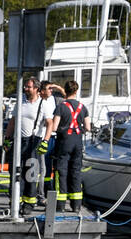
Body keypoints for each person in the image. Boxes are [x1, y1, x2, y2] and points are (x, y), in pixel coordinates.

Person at [4, 77, 53, 209]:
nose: (25, 88)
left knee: (30, 173)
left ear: (36, 89)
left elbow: (50, 123)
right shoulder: (20, 102)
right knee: (14, 172)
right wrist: (7, 139)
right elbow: (12, 122)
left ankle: (29, 204)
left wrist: (45, 141)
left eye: (28, 87)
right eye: (25, 86)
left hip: (34, 141)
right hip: (18, 140)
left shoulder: (43, 104)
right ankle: (15, 201)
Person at [50, 79, 90, 213]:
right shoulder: (82, 107)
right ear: (76, 91)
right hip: (77, 142)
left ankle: (60, 204)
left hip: (64, 142)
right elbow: (88, 127)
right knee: (76, 171)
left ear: (65, 91)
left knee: (61, 171)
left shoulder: (61, 106)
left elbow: (54, 127)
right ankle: (76, 205)